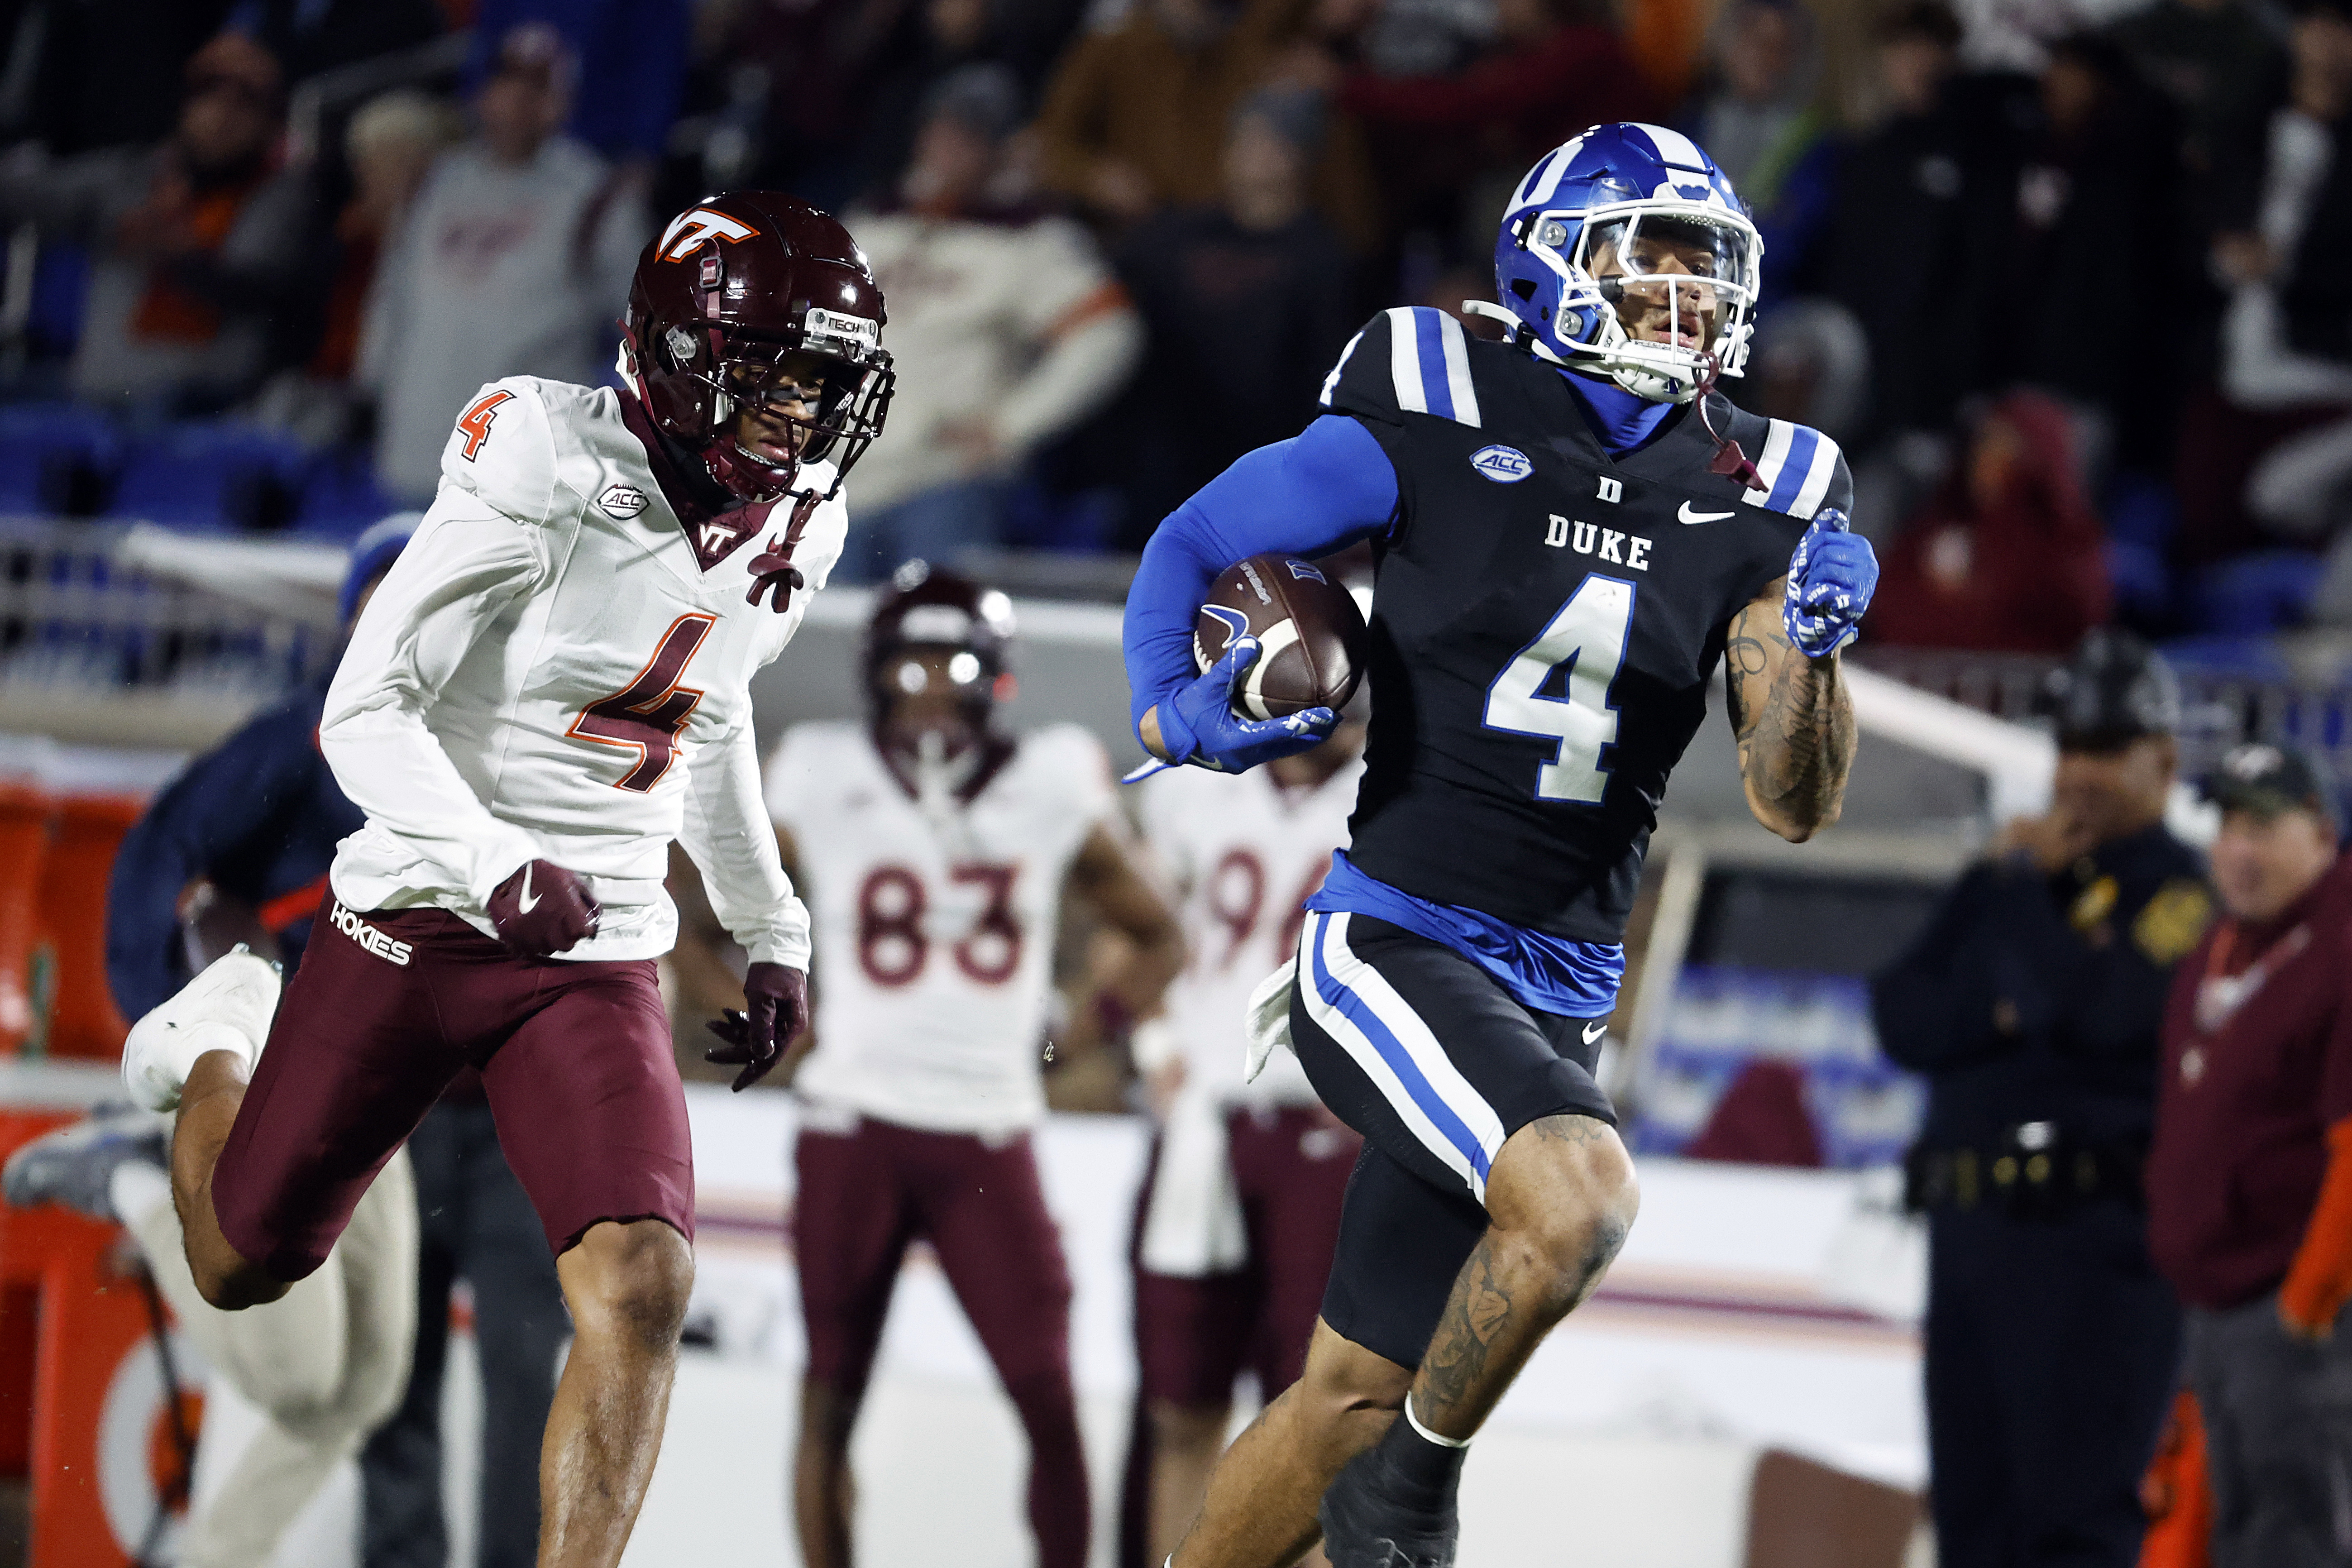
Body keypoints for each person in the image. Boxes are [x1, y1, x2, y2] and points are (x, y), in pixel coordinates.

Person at [1120, 122, 1879, 1567]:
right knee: (1579, 1195)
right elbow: (1194, 534)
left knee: (1348, 1390)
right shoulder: (1432, 393)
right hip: (1396, 935)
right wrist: (1168, 713)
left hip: (1561, 981)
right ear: (1549, 261)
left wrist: (1817, 640)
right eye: (1649, 251)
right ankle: (1409, 1498)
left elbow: (1792, 795)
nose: (1683, 291)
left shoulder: (1773, 479)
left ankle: (1373, 1469)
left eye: (1706, 263)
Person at [115, 188, 894, 1568]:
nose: (801, 413)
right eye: (779, 371)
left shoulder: (796, 527)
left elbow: (705, 714)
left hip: (594, 950)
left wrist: (771, 928)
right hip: (421, 916)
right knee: (242, 1259)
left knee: (642, 1281)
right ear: (683, 351)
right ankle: (215, 1030)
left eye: (826, 381)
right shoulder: (544, 452)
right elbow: (365, 708)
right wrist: (492, 861)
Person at [2, 525, 430, 1568]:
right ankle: (136, 1186)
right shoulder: (309, 740)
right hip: (283, 1064)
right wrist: (210, 1026)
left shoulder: (468, 751)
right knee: (296, 1375)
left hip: (376, 1082)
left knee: (363, 1384)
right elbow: (182, 872)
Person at [763, 564, 1183, 1568]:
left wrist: (1065, 1040)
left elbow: (1157, 933)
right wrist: (769, 1010)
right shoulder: (820, 767)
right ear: (876, 672)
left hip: (991, 1126)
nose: (932, 691)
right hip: (851, 1121)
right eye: (912, 667)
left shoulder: (1052, 777)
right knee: (829, 1394)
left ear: (995, 676)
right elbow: (700, 901)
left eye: (954, 668)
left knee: (1046, 1394)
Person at [1872, 629, 2210, 1568]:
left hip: (2095, 1244)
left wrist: (2028, 912)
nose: (2081, 773)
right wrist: (2015, 934)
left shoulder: (2181, 891)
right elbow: (1903, 1016)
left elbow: (2101, 1015)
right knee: (1975, 1525)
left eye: (2107, 750)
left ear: (2165, 760)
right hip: (1972, 1238)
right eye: (2069, 748)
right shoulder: (2011, 873)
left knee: (2074, 1528)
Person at [1122, 720, 1367, 1568]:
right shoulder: (1194, 782)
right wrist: (1154, 1044)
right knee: (1179, 1405)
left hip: (1325, 1128)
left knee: (1323, 1418)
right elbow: (1132, 923)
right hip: (1203, 1125)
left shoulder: (1398, 792)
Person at [2148, 742, 2352, 1568]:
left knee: (2293, 1532)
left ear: (2322, 833)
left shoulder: (2339, 947)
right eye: (2229, 822)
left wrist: (2308, 1299)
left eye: (2264, 826)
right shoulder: (2224, 941)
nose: (2239, 846)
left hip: (2298, 1310)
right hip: (2216, 1301)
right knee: (2229, 1525)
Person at [841, 64, 1143, 580]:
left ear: (1003, 148)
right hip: (838, 480)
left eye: (971, 136)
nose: (950, 147)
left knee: (936, 640)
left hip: (943, 482)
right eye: (944, 129)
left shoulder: (1030, 238)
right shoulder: (873, 220)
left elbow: (1108, 333)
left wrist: (1013, 425)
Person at [360, 22, 647, 501]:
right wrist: (367, 388)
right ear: (482, 92)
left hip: (524, 474)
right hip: (411, 452)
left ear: (564, 102)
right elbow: (392, 296)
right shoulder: (434, 182)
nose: (517, 102)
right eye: (506, 82)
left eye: (538, 88)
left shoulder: (597, 198)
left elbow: (645, 326)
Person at [0, 30, 314, 412]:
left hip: (208, 410)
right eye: (209, 96)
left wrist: (179, 255)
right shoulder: (133, 178)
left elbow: (257, 282)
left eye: (245, 102)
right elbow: (30, 198)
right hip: (98, 399)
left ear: (270, 121)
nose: (222, 116)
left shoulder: (279, 195)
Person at [1114, 89, 1358, 539]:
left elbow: (1327, 367)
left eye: (1271, 142)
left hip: (1264, 453)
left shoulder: (1323, 254)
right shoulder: (1173, 237)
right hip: (1169, 447)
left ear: (1300, 156)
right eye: (1245, 140)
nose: (1254, 154)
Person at [1863, 389, 2114, 653]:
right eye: (1985, 443)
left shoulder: (2068, 554)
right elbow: (1886, 607)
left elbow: (2072, 633)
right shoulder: (1943, 523)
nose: (1985, 461)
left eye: (2006, 450)